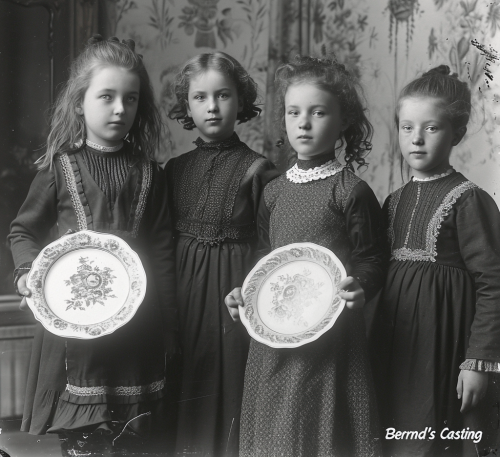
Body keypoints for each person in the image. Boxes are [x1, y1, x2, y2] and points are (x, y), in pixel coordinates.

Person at [9, 35, 178, 456]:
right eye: (107, 96)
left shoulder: (150, 174)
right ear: (80, 102)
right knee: (85, 440)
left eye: (131, 99)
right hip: (77, 331)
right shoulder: (59, 168)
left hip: (138, 329)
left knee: (133, 439)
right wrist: (28, 273)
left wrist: (169, 323)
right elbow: (23, 231)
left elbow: (160, 250)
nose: (121, 109)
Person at [225, 55, 385, 457]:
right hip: (275, 334)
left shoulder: (351, 191)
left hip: (329, 335)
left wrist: (359, 285)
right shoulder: (274, 190)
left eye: (318, 112)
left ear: (343, 120)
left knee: (318, 426)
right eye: (294, 112)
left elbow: (372, 257)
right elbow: (266, 254)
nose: (304, 122)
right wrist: (244, 293)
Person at [371, 65, 500, 456]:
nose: (417, 139)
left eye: (432, 128)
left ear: (456, 134)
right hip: (397, 347)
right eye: (407, 127)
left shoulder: (469, 199)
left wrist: (478, 362)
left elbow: (493, 284)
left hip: (444, 349)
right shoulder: (392, 201)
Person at [165, 52, 276, 457]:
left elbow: (270, 246)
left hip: (233, 297)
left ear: (241, 101)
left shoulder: (259, 170)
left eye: (223, 95)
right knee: (184, 382)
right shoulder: (174, 170)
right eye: (200, 98)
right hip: (183, 294)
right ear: (187, 106)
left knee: (228, 384)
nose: (212, 107)